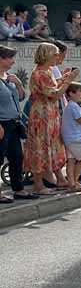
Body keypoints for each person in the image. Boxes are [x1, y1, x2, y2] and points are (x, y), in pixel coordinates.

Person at [25, 42, 76, 194]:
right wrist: (67, 81)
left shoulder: (46, 71)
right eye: (55, 54)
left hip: (49, 112)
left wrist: (62, 79)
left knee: (52, 145)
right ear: (47, 55)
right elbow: (54, 93)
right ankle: (38, 185)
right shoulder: (41, 73)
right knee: (40, 147)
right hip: (42, 114)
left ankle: (58, 179)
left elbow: (52, 88)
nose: (58, 57)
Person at [0, 45, 31, 202]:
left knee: (17, 157)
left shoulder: (8, 76)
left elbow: (20, 98)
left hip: (13, 124)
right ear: (1, 59)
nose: (13, 61)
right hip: (1, 124)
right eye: (10, 57)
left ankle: (18, 189)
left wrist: (18, 84)